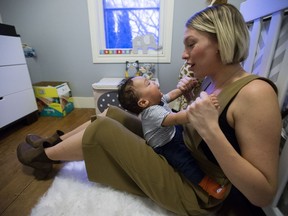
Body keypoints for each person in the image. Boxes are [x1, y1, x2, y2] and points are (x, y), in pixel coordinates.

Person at [17, 3, 281, 216]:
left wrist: (210, 129)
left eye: (191, 44)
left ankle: (46, 157)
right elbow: (199, 126)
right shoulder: (212, 80)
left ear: (221, 42)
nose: (184, 55)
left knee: (103, 131)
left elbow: (262, 194)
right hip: (177, 150)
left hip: (198, 191)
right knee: (111, 115)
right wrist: (191, 100)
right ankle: (54, 142)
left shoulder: (256, 93)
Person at [117, 76, 227, 200]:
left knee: (189, 136)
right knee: (186, 163)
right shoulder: (151, 113)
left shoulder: (157, 100)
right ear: (143, 102)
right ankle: (208, 185)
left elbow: (172, 94)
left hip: (172, 132)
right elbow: (175, 118)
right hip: (166, 145)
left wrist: (184, 88)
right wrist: (200, 108)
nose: (154, 82)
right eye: (148, 83)